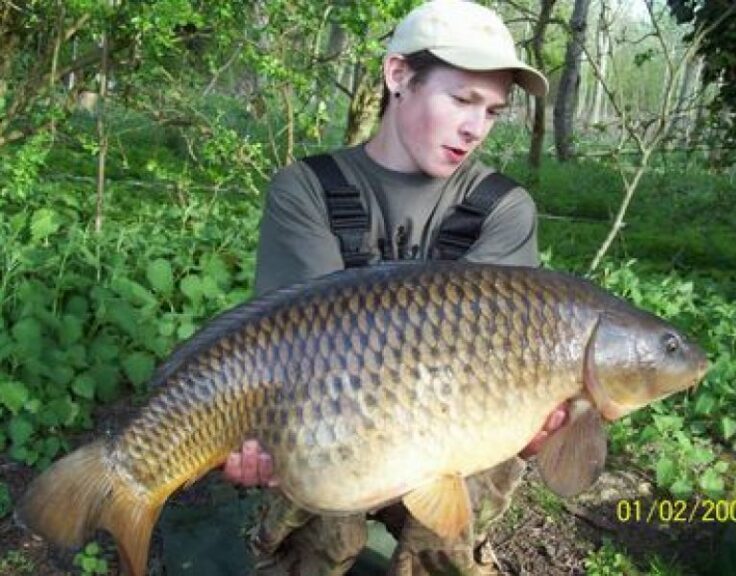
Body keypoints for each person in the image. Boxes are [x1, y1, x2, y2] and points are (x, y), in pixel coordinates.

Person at [222, 1, 568, 574]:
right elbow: (298, 357)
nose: (475, 129)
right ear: (398, 76)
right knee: (318, 526)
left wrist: (532, 425)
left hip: (452, 425)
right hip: (332, 418)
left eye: (491, 112)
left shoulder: (504, 208)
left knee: (456, 519)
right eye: (460, 100)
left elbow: (500, 371)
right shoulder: (306, 190)